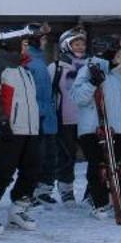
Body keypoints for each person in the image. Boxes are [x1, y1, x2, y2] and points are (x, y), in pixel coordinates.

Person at [0, 24, 44, 235]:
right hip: (7, 129)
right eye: (24, 43)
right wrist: (2, 121)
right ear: (12, 43)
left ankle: (19, 209)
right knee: (4, 172)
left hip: (29, 130)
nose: (27, 48)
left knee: (32, 170)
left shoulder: (25, 69)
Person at [74, 34, 121, 220]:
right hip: (92, 127)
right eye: (116, 51)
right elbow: (77, 97)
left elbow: (117, 103)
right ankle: (99, 201)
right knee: (99, 165)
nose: (119, 55)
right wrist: (92, 83)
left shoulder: (117, 75)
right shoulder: (88, 69)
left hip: (114, 127)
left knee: (119, 165)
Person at [49, 27, 88, 204]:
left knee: (94, 156)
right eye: (76, 44)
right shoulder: (56, 67)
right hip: (65, 119)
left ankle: (94, 189)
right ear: (66, 45)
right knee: (66, 156)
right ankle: (66, 190)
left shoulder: (90, 64)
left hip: (89, 119)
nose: (80, 47)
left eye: (82, 44)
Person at [24, 25, 59, 204]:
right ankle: (31, 191)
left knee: (49, 156)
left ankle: (43, 191)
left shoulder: (40, 60)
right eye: (43, 39)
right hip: (37, 118)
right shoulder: (29, 61)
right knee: (37, 158)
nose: (46, 42)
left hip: (47, 117)